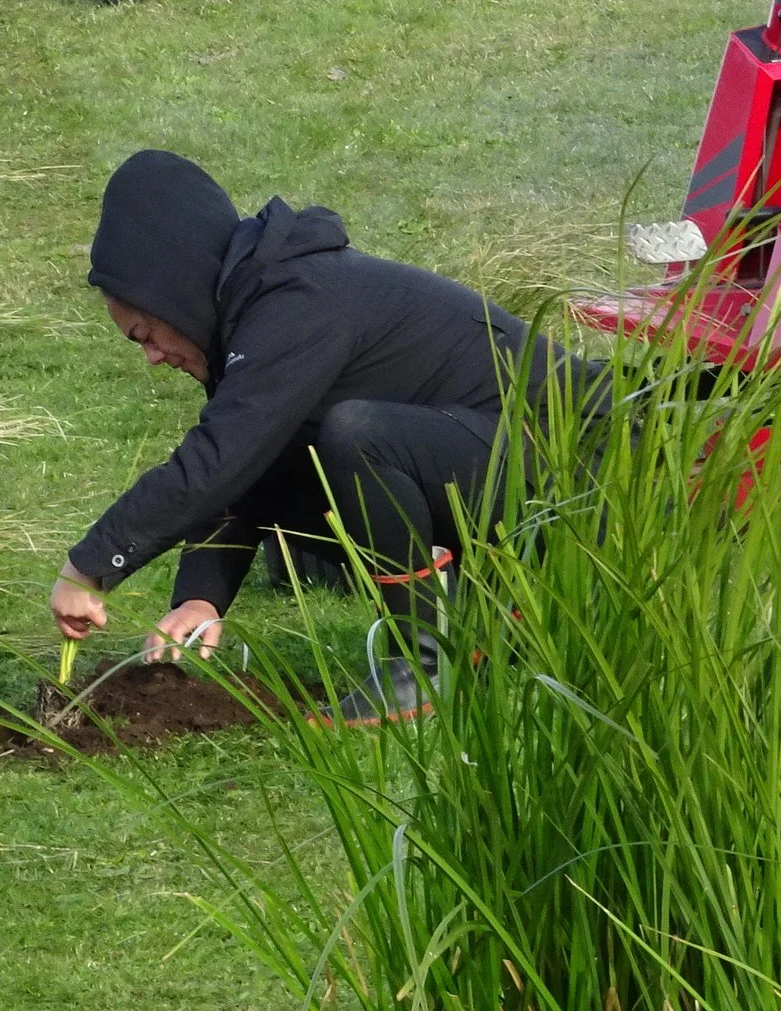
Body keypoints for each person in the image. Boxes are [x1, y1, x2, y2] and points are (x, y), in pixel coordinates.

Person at [47, 151, 597, 724]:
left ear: (173, 291)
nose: (153, 358)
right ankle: (482, 612)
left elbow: (221, 459)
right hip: (492, 462)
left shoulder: (297, 301)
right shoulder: (265, 311)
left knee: (356, 437)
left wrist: (88, 567)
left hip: (575, 477)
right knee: (310, 452)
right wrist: (200, 596)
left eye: (146, 334)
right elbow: (248, 470)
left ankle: (426, 663)